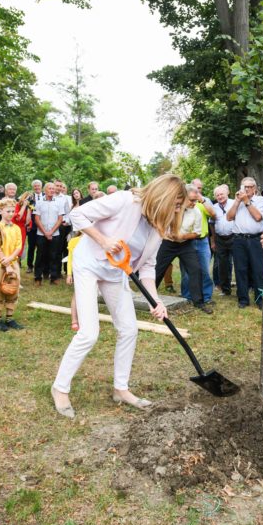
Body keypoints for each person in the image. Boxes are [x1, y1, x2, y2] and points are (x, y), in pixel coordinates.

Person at [51, 174, 186, 419]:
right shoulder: (125, 201)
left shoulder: (159, 225)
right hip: (89, 263)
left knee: (129, 329)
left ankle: (120, 389)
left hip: (115, 273)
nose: (177, 211)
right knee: (89, 333)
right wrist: (103, 240)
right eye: (176, 204)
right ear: (163, 197)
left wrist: (154, 300)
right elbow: (78, 215)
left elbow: (147, 267)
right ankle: (60, 389)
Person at [155, 184, 212, 314]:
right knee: (158, 270)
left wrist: (182, 236)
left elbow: (197, 233)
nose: (194, 203)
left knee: (196, 269)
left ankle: (198, 302)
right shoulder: (170, 208)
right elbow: (158, 224)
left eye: (196, 200)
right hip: (168, 244)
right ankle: (150, 298)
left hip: (186, 244)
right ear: (183, 197)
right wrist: (165, 233)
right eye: (191, 200)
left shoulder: (196, 211)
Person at [227, 176, 263, 309]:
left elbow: (258, 217)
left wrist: (247, 201)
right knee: (240, 269)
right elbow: (229, 217)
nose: (247, 189)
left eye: (250, 187)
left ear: (254, 189)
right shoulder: (236, 201)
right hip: (239, 239)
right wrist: (238, 201)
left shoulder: (260, 200)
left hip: (255, 239)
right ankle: (243, 299)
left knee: (258, 270)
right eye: (245, 187)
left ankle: (260, 299)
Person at [0, 198, 24, 331]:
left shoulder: (16, 228)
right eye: (8, 211)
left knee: (13, 288)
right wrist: (5, 263)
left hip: (12, 263)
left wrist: (11, 259)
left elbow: (19, 246)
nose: (11, 214)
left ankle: (9, 318)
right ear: (0, 211)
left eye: (13, 211)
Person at [33, 182, 64, 286]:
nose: (52, 190)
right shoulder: (39, 202)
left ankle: (54, 277)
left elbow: (60, 219)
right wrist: (45, 232)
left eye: (53, 188)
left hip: (55, 234)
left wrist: (51, 232)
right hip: (41, 234)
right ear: (45, 190)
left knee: (54, 255)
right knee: (40, 256)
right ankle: (38, 277)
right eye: (49, 188)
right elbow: (37, 219)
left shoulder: (59, 202)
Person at [211, 184, 234, 296]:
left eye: (222, 194)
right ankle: (225, 289)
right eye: (217, 195)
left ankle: (245, 287)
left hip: (234, 237)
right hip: (220, 239)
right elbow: (212, 224)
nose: (220, 196)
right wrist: (213, 241)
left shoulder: (234, 203)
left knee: (239, 263)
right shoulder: (214, 208)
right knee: (223, 265)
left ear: (227, 193)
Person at [5, 183, 32, 253]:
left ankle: (18, 262)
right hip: (11, 229)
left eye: (14, 189)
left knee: (19, 250)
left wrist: (29, 208)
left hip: (22, 230)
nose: (12, 191)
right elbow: (17, 217)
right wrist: (23, 206)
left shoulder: (23, 206)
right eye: (10, 189)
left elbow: (27, 222)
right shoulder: (13, 204)